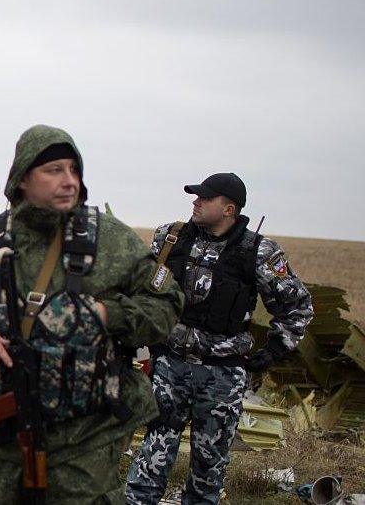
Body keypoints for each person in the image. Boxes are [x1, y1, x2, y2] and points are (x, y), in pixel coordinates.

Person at [0, 125, 183, 503]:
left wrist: (107, 314)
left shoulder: (111, 242)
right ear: (22, 177)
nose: (69, 181)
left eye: (74, 170)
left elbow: (167, 303)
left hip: (85, 444)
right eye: (54, 170)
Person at [125, 172, 313, 504]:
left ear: (229, 209)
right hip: (169, 367)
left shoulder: (257, 251)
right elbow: (142, 293)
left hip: (222, 376)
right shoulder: (170, 238)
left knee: (207, 474)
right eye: (196, 197)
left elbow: (298, 307)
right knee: (148, 467)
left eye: (205, 198)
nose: (195, 202)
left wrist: (272, 351)